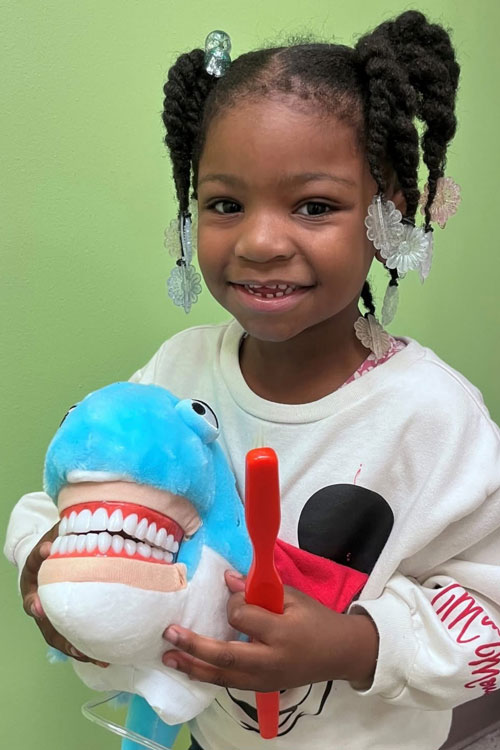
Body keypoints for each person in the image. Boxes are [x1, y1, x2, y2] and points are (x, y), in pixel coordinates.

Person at [5, 10, 500, 750]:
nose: (261, 241)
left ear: (388, 210)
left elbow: (489, 605)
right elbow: (59, 503)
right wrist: (51, 569)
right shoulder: (175, 373)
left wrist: (352, 645)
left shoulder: (430, 414)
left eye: (315, 206)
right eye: (225, 204)